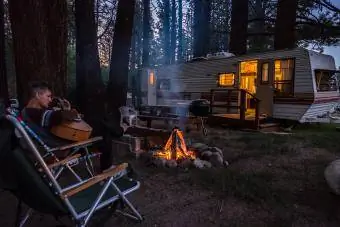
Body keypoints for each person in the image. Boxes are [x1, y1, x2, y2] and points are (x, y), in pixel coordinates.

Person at [22, 81, 127, 172]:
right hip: (62, 146)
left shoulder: (29, 112)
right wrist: (69, 112)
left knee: (98, 126)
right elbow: (58, 116)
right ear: (37, 95)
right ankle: (107, 166)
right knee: (103, 130)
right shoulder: (33, 112)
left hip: (59, 141)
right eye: (48, 96)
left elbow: (55, 117)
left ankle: (118, 131)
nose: (50, 100)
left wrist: (65, 111)